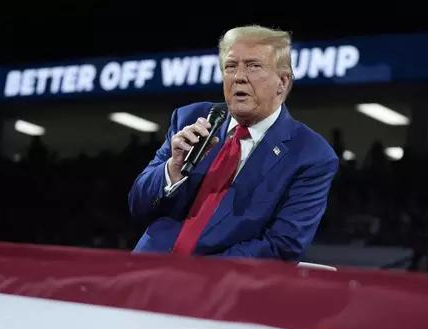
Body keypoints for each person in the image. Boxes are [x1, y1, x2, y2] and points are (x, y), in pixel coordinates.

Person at [128, 25, 339, 261]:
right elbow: (138, 205)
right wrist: (172, 170)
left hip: (220, 287)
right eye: (230, 66)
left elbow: (282, 246)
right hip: (144, 273)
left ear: (282, 81)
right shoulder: (190, 119)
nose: (239, 76)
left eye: (253, 66)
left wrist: (195, 275)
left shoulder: (311, 154)